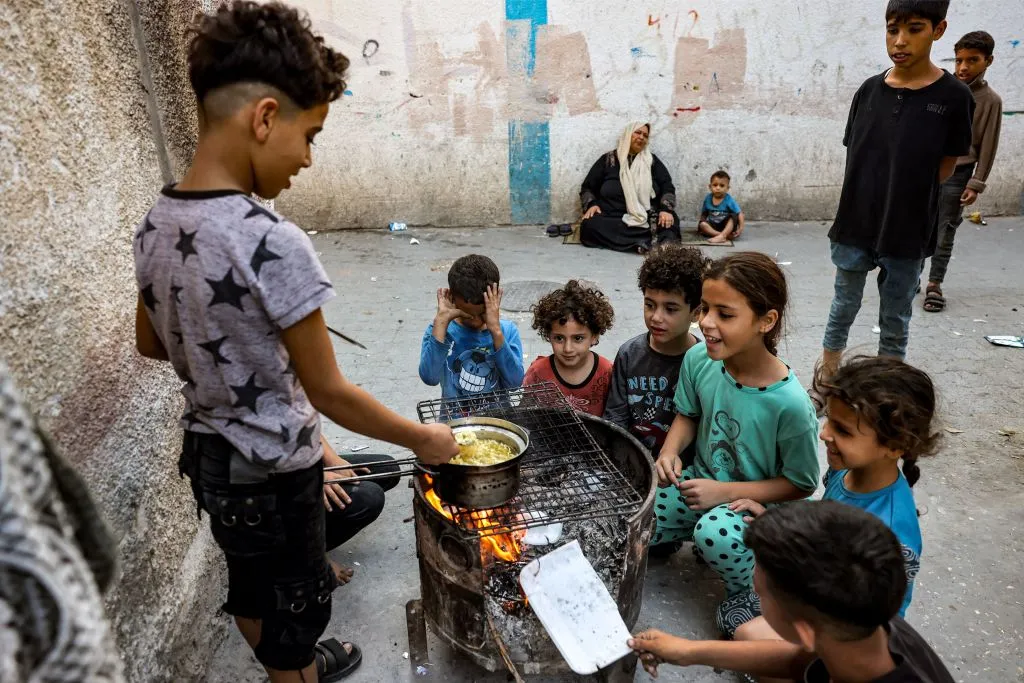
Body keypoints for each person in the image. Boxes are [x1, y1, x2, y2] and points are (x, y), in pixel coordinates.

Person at [132, 4, 459, 681]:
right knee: (299, 606)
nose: (308, 158)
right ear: (264, 117)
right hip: (278, 474)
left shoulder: (156, 222)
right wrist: (423, 439)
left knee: (251, 584)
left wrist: (228, 342)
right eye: (309, 135)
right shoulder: (274, 240)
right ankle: (299, 669)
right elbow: (329, 390)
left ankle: (291, 661)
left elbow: (153, 344)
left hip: (212, 459)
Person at [651, 253, 819, 629]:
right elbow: (688, 414)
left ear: (766, 321)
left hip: (760, 506)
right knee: (640, 509)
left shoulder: (789, 404)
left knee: (715, 535)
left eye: (724, 314)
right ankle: (677, 535)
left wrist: (723, 494)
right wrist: (669, 451)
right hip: (701, 481)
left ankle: (753, 591)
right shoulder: (699, 360)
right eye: (705, 308)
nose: (706, 323)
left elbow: (801, 484)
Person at [728, 355, 938, 655]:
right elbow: (827, 528)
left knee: (746, 635)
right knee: (737, 616)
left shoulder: (892, 532)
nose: (824, 434)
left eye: (843, 431)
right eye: (829, 421)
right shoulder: (847, 469)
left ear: (895, 446)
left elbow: (872, 622)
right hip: (824, 595)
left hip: (854, 636)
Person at [629, 501, 955, 683]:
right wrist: (688, 651)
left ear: (804, 631)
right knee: (749, 633)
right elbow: (804, 660)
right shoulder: (869, 622)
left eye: (761, 592)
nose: (754, 588)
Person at [821, 0, 973, 375]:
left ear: (938, 30)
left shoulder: (954, 97)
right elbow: (857, 156)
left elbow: (947, 165)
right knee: (843, 304)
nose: (900, 41)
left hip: (908, 228)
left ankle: (888, 386)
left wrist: (904, 195)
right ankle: (826, 376)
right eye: (892, 30)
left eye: (914, 29)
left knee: (896, 314)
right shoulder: (869, 91)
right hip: (855, 222)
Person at [604, 245, 707, 462]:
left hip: (682, 467)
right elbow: (616, 418)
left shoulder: (704, 362)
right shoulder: (629, 354)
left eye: (670, 309)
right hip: (633, 460)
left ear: (696, 313)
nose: (656, 317)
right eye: (650, 305)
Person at [923, 31, 1002, 313]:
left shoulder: (990, 101)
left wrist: (976, 182)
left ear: (988, 61)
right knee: (919, 225)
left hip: (959, 174)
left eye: (973, 60)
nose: (964, 67)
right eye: (959, 60)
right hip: (927, 169)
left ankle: (934, 283)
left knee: (945, 230)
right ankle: (910, 277)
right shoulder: (942, 89)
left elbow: (988, 144)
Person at [418, 254, 525, 400]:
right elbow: (430, 378)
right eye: (466, 314)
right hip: (455, 421)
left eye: (482, 313)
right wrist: (441, 323)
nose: (475, 321)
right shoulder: (439, 331)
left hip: (498, 420)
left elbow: (514, 384)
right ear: (452, 299)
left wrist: (496, 331)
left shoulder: (507, 331)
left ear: (495, 300)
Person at [579, 122, 681, 254]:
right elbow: (587, 187)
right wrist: (591, 204)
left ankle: (637, 243)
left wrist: (666, 209)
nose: (641, 137)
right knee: (589, 226)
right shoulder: (608, 159)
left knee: (669, 223)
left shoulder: (651, 161)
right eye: (638, 132)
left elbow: (667, 186)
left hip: (647, 216)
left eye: (645, 135)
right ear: (628, 134)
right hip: (613, 216)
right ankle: (645, 244)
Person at [523, 280, 615, 416]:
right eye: (559, 338)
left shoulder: (606, 372)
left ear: (594, 336)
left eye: (578, 338)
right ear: (549, 335)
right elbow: (524, 415)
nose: (567, 348)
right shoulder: (538, 373)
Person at [697, 171, 745, 243]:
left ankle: (722, 235)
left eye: (722, 185)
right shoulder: (708, 199)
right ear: (710, 187)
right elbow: (704, 213)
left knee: (733, 216)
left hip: (726, 226)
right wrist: (702, 222)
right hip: (712, 225)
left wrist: (740, 228)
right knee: (702, 224)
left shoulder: (729, 200)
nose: (718, 188)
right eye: (715, 185)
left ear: (727, 188)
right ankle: (722, 235)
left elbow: (740, 213)